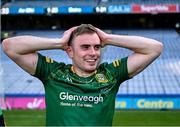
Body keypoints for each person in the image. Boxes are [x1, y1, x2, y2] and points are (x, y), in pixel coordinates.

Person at [2, 24, 163, 126]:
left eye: (97, 47)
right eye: (85, 47)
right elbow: (9, 46)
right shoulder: (53, 72)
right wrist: (58, 43)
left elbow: (154, 48)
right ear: (70, 51)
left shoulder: (111, 74)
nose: (93, 53)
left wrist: (107, 38)